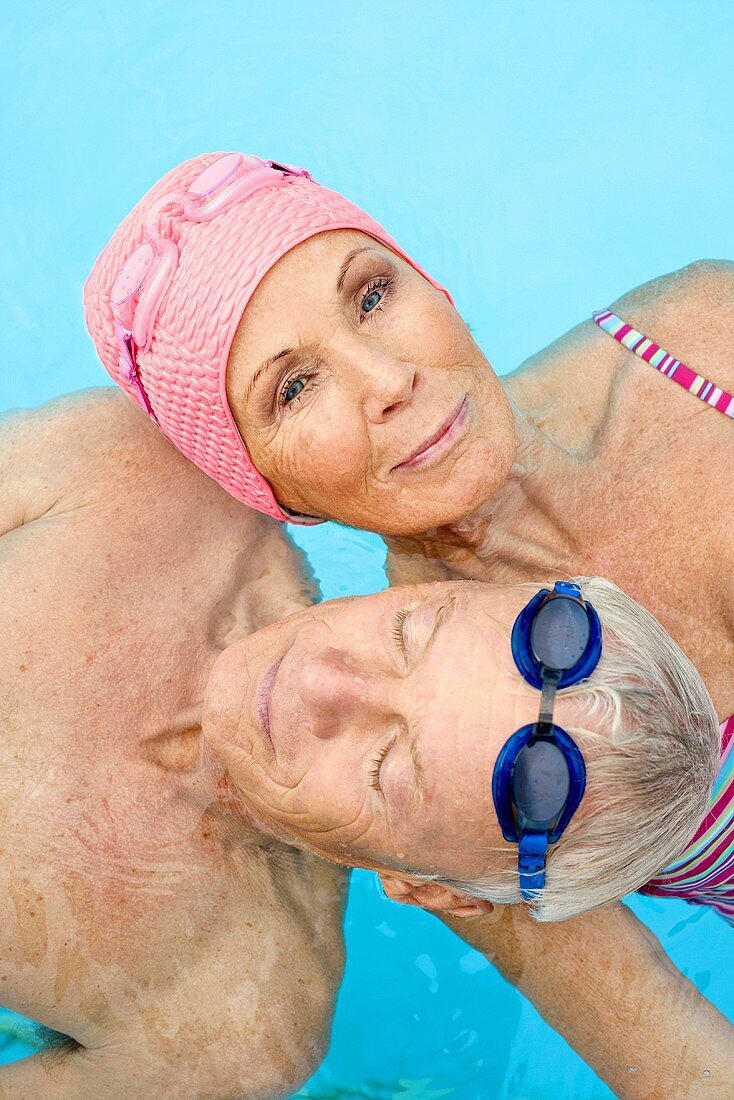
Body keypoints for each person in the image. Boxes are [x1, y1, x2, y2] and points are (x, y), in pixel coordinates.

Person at [0, 389, 347, 1099]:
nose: (358, 699)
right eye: (420, 639)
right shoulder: (143, 475)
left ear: (438, 882)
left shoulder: (241, 1028)